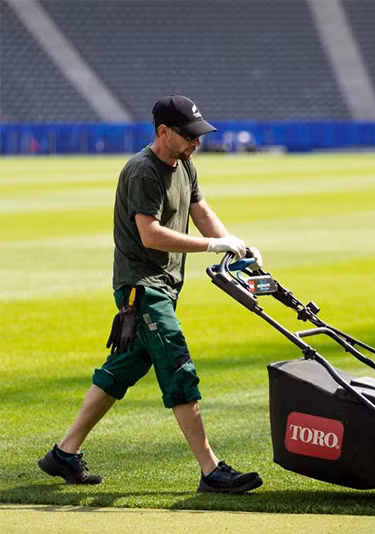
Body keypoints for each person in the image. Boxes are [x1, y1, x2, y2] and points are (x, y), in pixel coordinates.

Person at [38, 95, 263, 494]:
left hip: (164, 285)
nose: (196, 142)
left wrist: (236, 246)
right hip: (142, 288)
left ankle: (64, 453)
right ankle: (211, 470)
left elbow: (200, 211)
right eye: (189, 136)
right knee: (178, 366)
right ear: (163, 132)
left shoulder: (184, 163)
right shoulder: (143, 171)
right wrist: (212, 246)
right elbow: (151, 235)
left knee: (124, 368)